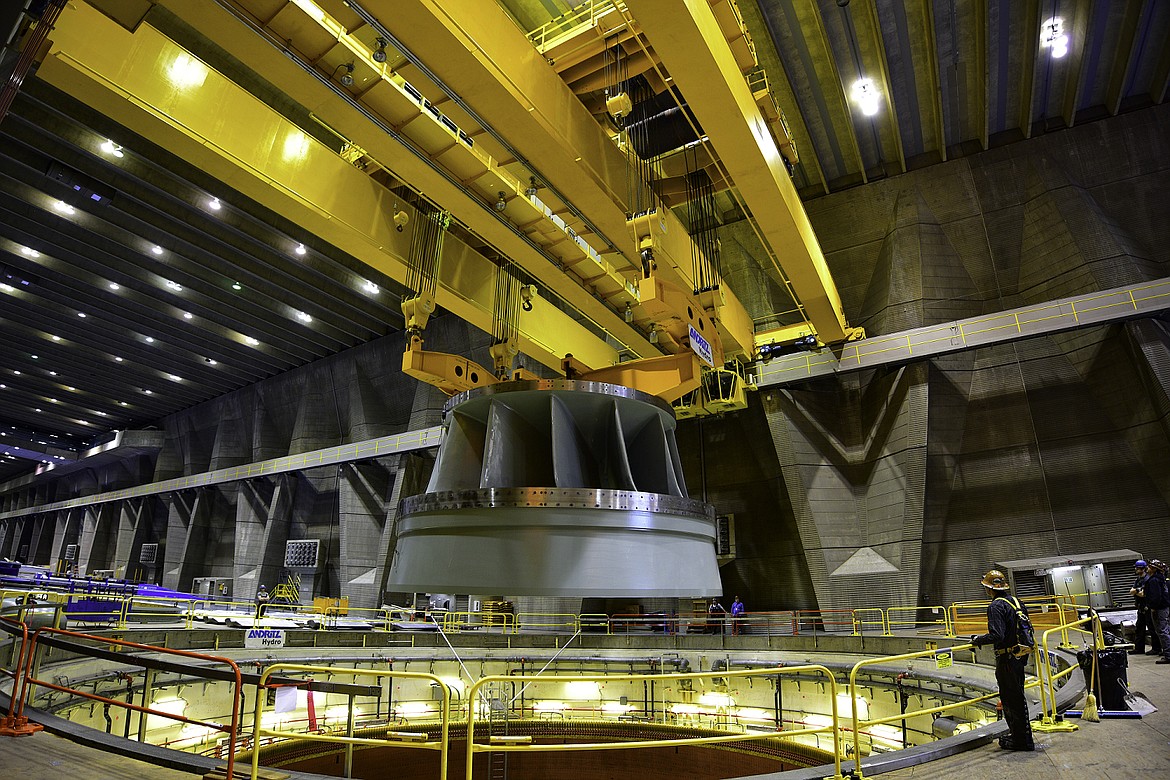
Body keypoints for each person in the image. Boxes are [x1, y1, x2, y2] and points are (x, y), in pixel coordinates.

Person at [970, 569, 1034, 751]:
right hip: (1020, 655)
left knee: (1011, 699)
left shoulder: (996, 606)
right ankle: (1023, 737)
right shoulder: (1016, 601)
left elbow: (997, 635)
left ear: (989, 589)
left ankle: (1020, 740)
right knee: (1018, 697)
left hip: (1007, 658)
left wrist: (978, 640)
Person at [1129, 560, 1162, 656]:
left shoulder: (1148, 579)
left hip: (1148, 607)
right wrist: (1137, 591)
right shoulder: (1138, 579)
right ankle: (1139, 648)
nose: (1135, 569)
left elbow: (1143, 594)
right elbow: (1131, 591)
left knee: (1152, 628)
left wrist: (1136, 591)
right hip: (1140, 607)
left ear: (1142, 569)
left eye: (1137, 568)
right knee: (1139, 628)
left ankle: (1156, 648)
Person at [1145, 560, 1170, 664]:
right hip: (1164, 608)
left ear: (1154, 569)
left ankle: (1168, 655)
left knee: (1162, 631)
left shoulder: (1154, 580)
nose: (1148, 568)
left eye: (1150, 567)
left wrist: (1153, 607)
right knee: (1165, 630)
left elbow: (1156, 596)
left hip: (1159, 609)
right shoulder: (1161, 579)